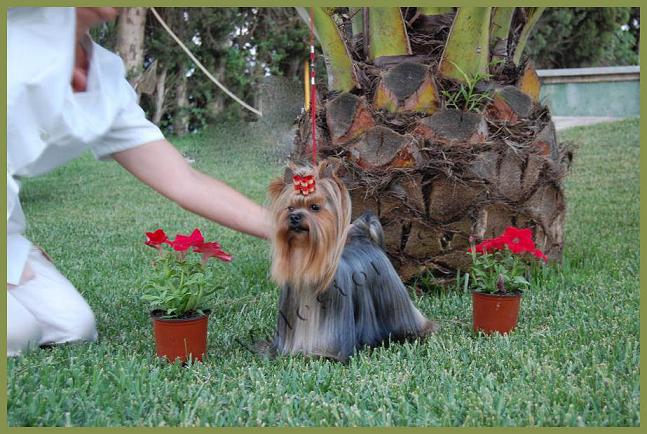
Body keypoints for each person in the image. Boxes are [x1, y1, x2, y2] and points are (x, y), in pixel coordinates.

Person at [6, 7, 270, 357]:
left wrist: (288, 228)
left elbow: (185, 181)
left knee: (74, 326)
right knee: (18, 332)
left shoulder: (105, 77)